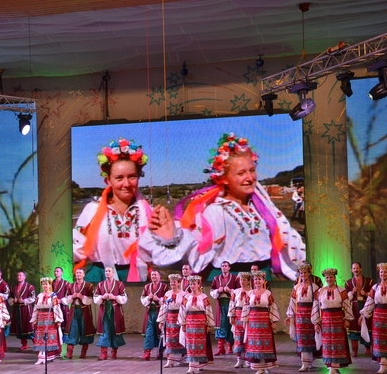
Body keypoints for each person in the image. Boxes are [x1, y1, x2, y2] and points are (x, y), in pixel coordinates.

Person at [145, 132, 306, 282]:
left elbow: (290, 240)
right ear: (225, 179)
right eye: (241, 173)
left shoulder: (263, 208)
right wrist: (171, 237)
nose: (249, 178)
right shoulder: (216, 211)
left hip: (263, 278)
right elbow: (196, 248)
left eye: (252, 170)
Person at [73, 137, 151, 283]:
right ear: (108, 180)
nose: (126, 184)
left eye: (132, 177)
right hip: (100, 277)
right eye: (119, 178)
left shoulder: (147, 211)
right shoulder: (92, 210)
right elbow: (77, 248)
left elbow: (159, 250)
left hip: (137, 276)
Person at [311, 268, 353, 374]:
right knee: (327, 344)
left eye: (331, 277)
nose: (329, 279)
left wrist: (347, 319)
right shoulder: (320, 291)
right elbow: (315, 307)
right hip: (325, 320)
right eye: (327, 277)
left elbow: (347, 305)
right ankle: (331, 369)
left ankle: (334, 368)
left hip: (338, 319)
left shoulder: (341, 291)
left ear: (334, 278)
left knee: (337, 343)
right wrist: (316, 322)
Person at [285, 262, 322, 372]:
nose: (303, 275)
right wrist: (290, 315)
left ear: (309, 273)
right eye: (301, 273)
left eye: (305, 272)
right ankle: (304, 362)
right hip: (300, 315)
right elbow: (292, 302)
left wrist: (317, 318)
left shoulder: (314, 287)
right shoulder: (296, 287)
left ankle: (309, 361)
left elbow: (317, 302)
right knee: (302, 338)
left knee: (311, 338)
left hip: (311, 314)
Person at [243, 271, 279, 374]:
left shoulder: (268, 293)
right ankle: (259, 367)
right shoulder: (249, 293)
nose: (257, 281)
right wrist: (245, 321)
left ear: (263, 281)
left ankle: (266, 365)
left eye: (259, 279)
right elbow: (246, 307)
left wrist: (274, 321)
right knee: (255, 343)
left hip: (265, 321)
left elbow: (272, 307)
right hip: (253, 322)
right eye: (255, 279)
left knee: (265, 343)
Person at [178, 275, 215, 374]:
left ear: (199, 285)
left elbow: (208, 310)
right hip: (190, 323)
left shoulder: (204, 297)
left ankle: (200, 364)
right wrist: (183, 323)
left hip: (201, 323)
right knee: (191, 344)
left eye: (194, 284)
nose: (192, 286)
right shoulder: (186, 297)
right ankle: (191, 366)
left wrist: (208, 324)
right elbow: (182, 310)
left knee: (200, 344)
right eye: (190, 284)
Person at [93, 267, 128, 360]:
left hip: (115, 310)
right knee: (104, 330)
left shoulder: (119, 284)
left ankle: (114, 351)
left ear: (113, 273)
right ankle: (103, 353)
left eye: (109, 271)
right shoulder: (100, 284)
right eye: (106, 271)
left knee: (115, 330)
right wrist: (102, 297)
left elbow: (124, 297)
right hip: (104, 310)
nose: (107, 272)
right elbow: (95, 297)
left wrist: (115, 297)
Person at [63, 268, 96, 359]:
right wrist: (72, 296)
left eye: (80, 273)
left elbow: (91, 299)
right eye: (77, 273)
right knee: (72, 329)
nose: (78, 274)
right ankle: (69, 352)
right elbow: (67, 299)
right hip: (74, 310)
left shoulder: (89, 286)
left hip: (85, 311)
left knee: (85, 329)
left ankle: (83, 352)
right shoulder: (71, 285)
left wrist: (82, 297)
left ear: (83, 275)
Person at [30, 277, 64, 364]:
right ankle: (41, 356)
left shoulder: (53, 295)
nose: (45, 286)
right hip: (41, 318)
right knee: (40, 336)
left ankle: (49, 355)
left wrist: (58, 320)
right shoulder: (39, 296)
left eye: (47, 284)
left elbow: (56, 308)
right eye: (43, 284)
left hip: (50, 318)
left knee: (49, 336)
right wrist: (34, 319)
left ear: (50, 285)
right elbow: (35, 308)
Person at [156, 274, 187, 367]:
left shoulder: (183, 294)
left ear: (178, 283)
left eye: (174, 282)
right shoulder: (167, 294)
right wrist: (161, 321)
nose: (172, 283)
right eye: (171, 282)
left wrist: (184, 322)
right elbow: (163, 307)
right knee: (169, 339)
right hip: (169, 319)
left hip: (179, 318)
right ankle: (170, 360)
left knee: (180, 338)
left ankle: (182, 358)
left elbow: (185, 308)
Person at [344, 262, 373, 356]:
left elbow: (374, 294)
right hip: (354, 307)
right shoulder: (348, 283)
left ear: (361, 269)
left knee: (367, 325)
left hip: (365, 305)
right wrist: (352, 293)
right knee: (354, 327)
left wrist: (366, 294)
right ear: (352, 270)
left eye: (357, 268)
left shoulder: (369, 281)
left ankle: (367, 348)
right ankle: (354, 350)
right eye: (354, 268)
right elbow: (346, 298)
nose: (356, 270)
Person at [210, 261, 239, 355]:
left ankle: (230, 346)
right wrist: (218, 291)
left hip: (231, 304)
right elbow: (212, 291)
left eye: (226, 266)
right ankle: (221, 348)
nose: (224, 267)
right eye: (222, 266)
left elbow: (239, 291)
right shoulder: (216, 278)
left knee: (230, 323)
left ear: (229, 267)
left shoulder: (234, 278)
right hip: (220, 304)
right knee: (220, 325)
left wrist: (230, 291)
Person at [140, 270, 168, 360]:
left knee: (160, 332)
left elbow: (167, 300)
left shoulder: (164, 287)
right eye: (152, 275)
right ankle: (147, 352)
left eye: (155, 275)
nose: (153, 276)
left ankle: (160, 352)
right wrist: (148, 298)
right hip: (150, 312)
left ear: (159, 276)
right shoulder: (147, 286)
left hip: (160, 312)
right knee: (149, 332)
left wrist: (158, 299)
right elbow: (142, 298)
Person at [229, 272, 252, 368]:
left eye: (244, 280)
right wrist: (231, 316)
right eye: (241, 280)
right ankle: (239, 359)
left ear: (248, 281)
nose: (242, 282)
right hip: (238, 315)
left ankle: (247, 359)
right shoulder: (236, 292)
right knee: (238, 337)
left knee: (247, 337)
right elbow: (232, 304)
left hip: (248, 316)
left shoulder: (252, 292)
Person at [8, 271, 36, 350]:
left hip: (26, 309)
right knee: (19, 327)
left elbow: (33, 298)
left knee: (29, 326)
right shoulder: (13, 287)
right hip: (17, 309)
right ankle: (24, 344)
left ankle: (37, 344)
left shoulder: (30, 287)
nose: (18, 277)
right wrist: (13, 300)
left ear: (24, 277)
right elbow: (9, 297)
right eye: (17, 275)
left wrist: (24, 301)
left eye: (20, 275)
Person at [52, 266, 71, 343]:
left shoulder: (66, 283)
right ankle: (55, 338)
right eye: (55, 271)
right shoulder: (51, 283)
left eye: (57, 271)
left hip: (63, 306)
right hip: (53, 306)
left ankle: (65, 338)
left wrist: (61, 300)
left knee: (64, 321)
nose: (56, 272)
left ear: (62, 273)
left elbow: (69, 296)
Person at [0, 268, 11, 342]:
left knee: (1, 322)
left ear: (0, 274)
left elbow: (7, 295)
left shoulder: (4, 284)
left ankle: (2, 340)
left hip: (1, 305)